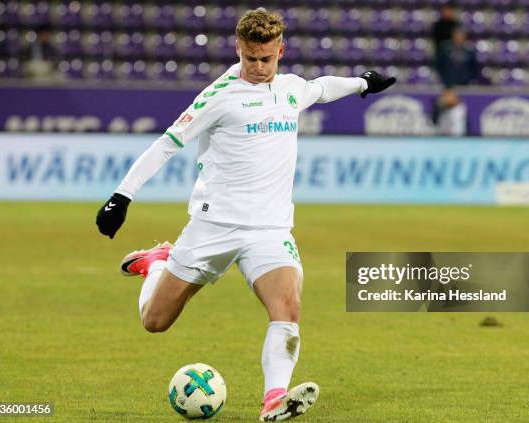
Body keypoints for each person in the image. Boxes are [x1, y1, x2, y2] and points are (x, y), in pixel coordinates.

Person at [95, 9, 396, 422]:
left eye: (266, 59)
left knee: (287, 308)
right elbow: (168, 143)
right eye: (250, 58)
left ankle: (274, 399)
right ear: (238, 48)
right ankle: (158, 263)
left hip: (269, 229)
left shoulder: (290, 89)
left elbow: (322, 88)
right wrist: (121, 196)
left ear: (280, 51)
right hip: (213, 225)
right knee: (155, 321)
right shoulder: (219, 95)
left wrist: (363, 83)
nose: (257, 67)